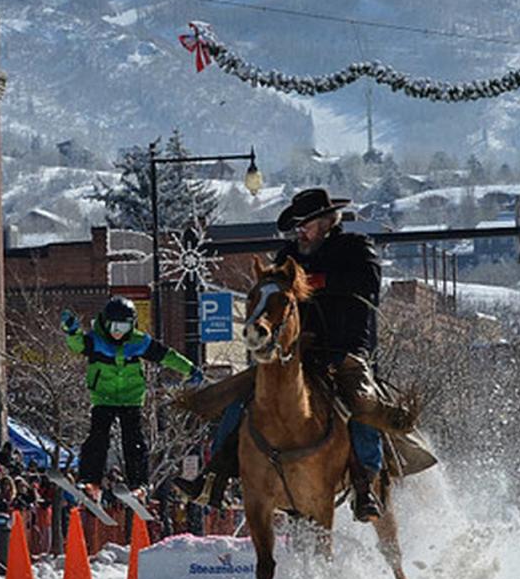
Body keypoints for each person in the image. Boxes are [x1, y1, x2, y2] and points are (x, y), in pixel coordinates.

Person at [173, 187, 413, 521]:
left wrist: (316, 280)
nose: (300, 231)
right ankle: (215, 475)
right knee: (239, 398)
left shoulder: (355, 249)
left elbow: (368, 282)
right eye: (297, 225)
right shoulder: (288, 256)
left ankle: (364, 484)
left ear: (328, 221)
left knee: (362, 404)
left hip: (344, 350)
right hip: (297, 353)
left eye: (307, 224)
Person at [61, 295, 204, 493]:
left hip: (131, 397)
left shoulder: (139, 342)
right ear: (105, 323)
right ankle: (90, 480)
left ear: (132, 325)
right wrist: (72, 331)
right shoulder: (96, 340)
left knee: (134, 439)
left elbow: (166, 356)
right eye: (114, 327)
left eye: (124, 328)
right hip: (103, 396)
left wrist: (189, 369)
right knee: (98, 437)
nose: (118, 333)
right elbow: (78, 345)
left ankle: (139, 484)